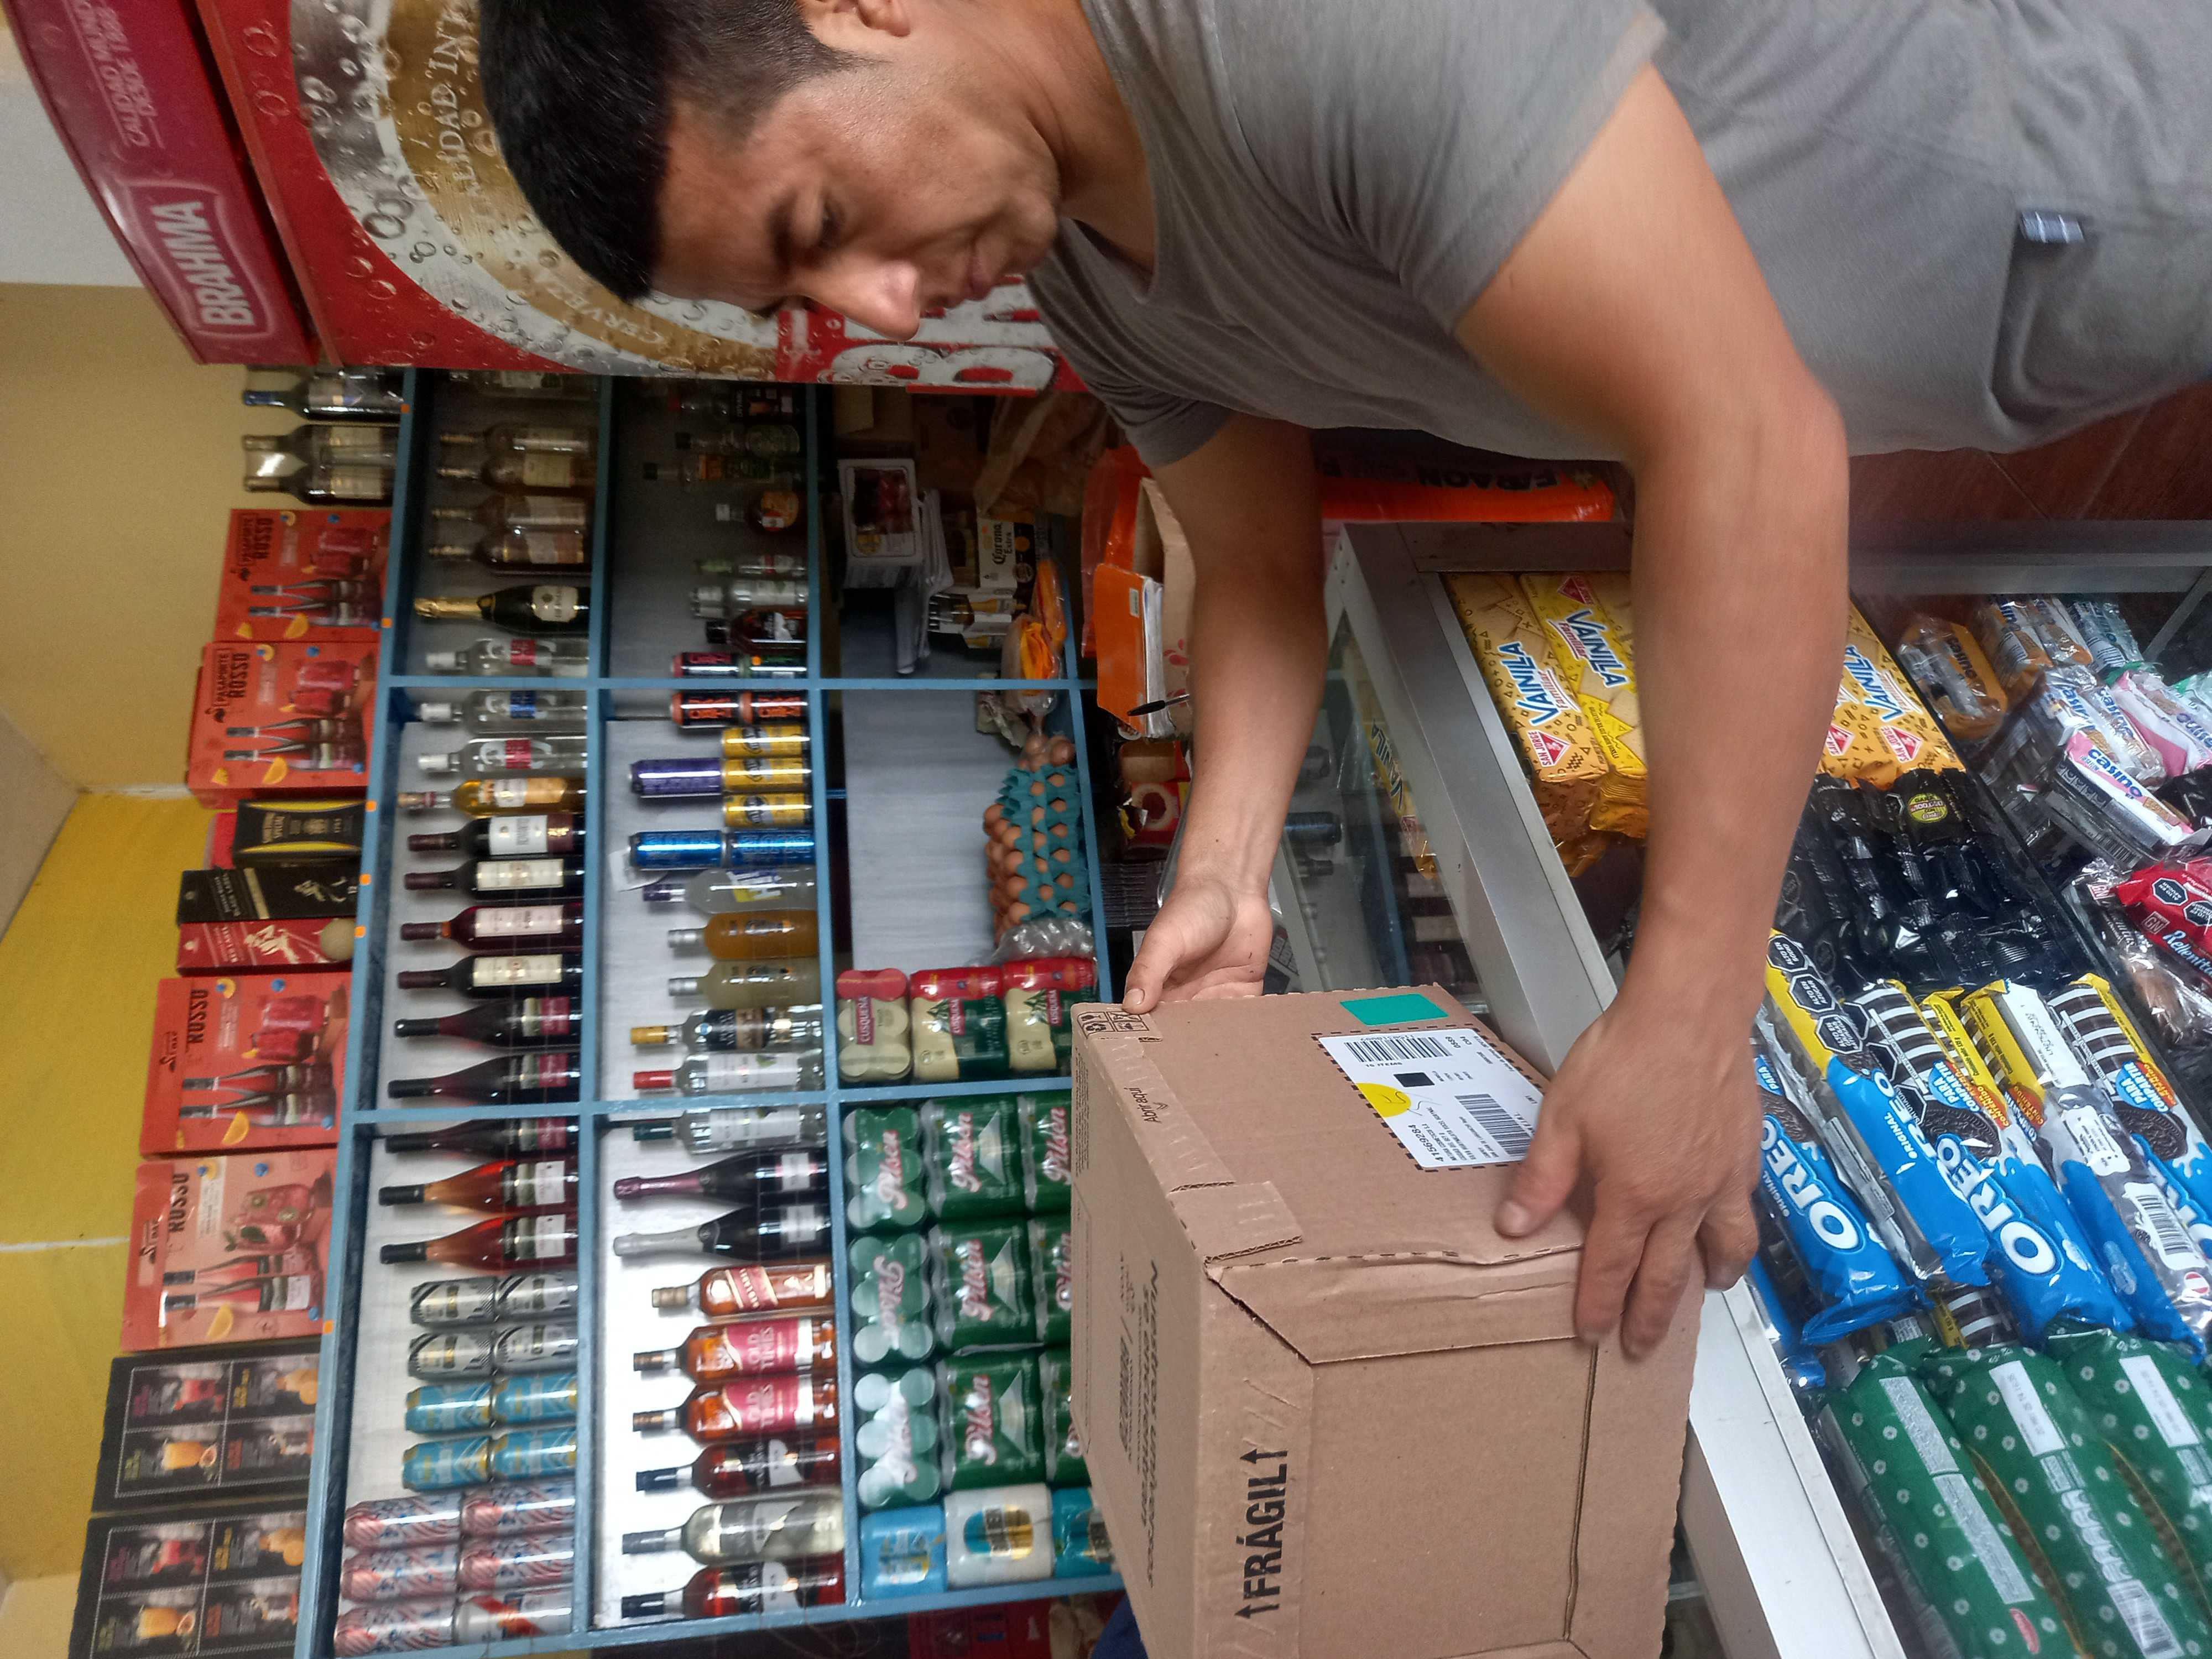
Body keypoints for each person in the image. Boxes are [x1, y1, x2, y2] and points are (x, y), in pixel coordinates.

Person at [479, 0, 2212, 1365]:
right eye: (803, 297)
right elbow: (1250, 562)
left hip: (2116, 170)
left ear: (863, 7)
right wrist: (1225, 876)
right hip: (2003, 343)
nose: (879, 310)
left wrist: (1690, 1020)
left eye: (824, 219)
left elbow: (1746, 443)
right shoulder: (1093, 272)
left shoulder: (1299, 29)